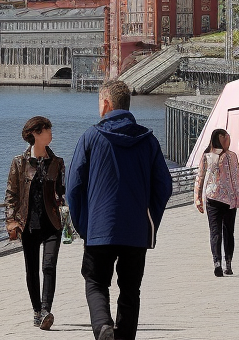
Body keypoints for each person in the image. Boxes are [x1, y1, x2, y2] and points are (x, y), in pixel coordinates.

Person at [66, 79, 173, 340]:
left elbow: (73, 188)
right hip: (136, 231)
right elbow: (164, 186)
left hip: (99, 229)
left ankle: (103, 326)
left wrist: (84, 225)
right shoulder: (148, 140)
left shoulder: (91, 137)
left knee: (95, 283)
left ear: (106, 104)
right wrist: (149, 220)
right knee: (130, 290)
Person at [5, 115, 66, 331]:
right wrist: (11, 221)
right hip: (28, 224)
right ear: (35, 134)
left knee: (49, 266)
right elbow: (11, 194)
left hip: (52, 224)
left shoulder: (57, 163)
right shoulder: (19, 163)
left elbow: (62, 192)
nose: (51, 134)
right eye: (47, 130)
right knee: (31, 270)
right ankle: (37, 312)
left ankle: (46, 310)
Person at [194, 127, 239, 276]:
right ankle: (228, 263)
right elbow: (236, 178)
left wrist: (198, 199)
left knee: (215, 232)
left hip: (212, 197)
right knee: (229, 232)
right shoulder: (231, 156)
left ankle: (217, 262)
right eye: (227, 138)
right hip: (229, 199)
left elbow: (200, 177)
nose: (229, 141)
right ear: (222, 139)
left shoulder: (207, 156)